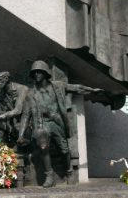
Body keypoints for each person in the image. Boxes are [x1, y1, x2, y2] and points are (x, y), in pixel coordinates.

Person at [17, 60, 102, 188]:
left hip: (57, 122)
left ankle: (69, 171)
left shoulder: (57, 86)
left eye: (39, 72)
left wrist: (92, 90)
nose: (37, 74)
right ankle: (49, 175)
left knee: (64, 150)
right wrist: (21, 134)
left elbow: (76, 88)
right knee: (43, 144)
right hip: (42, 124)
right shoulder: (30, 94)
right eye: (35, 72)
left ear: (45, 73)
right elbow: (25, 115)